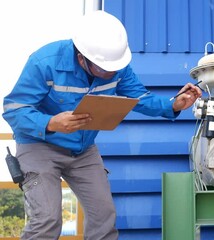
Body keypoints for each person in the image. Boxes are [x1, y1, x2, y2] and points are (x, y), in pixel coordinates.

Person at [2, 10, 202, 240]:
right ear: (81, 57)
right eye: (103, 69)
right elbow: (14, 109)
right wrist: (51, 123)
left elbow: (141, 98)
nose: (110, 74)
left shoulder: (116, 67)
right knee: (46, 219)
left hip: (83, 150)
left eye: (114, 69)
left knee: (104, 217)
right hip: (39, 145)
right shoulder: (44, 62)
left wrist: (174, 104)